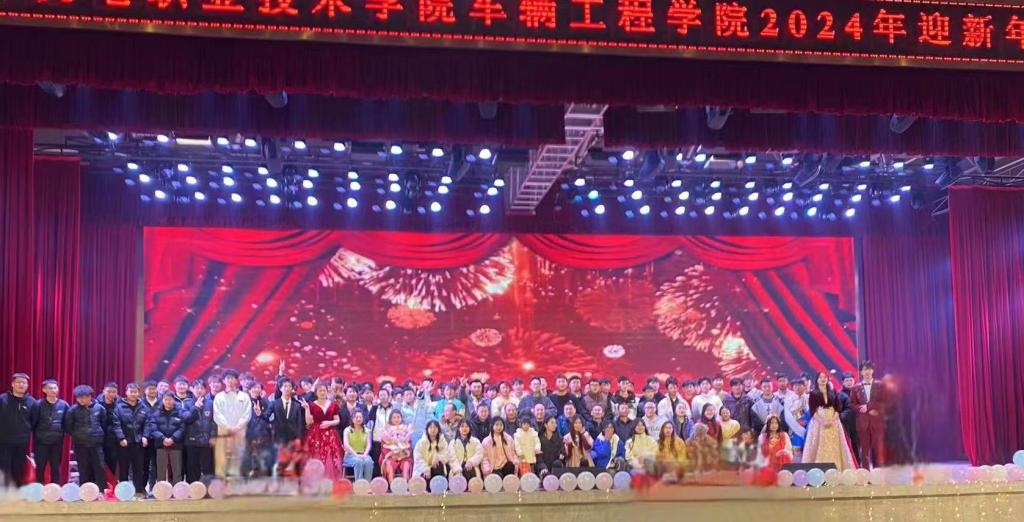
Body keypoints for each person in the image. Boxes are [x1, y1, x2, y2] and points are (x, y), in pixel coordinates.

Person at [801, 371, 857, 471]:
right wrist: (822, 421)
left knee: (835, 447)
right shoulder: (813, 393)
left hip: (834, 423)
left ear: (827, 379)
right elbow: (813, 411)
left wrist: (833, 419)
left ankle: (837, 469)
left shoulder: (833, 391)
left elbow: (837, 408)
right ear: (817, 380)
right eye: (820, 377)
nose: (823, 379)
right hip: (818, 424)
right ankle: (818, 470)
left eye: (825, 377)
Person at [65, 385, 108, 486]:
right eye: (78, 397)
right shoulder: (72, 410)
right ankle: (84, 490)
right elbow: (68, 428)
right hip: (80, 444)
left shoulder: (100, 408)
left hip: (96, 444)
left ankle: (102, 490)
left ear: (89, 396)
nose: (80, 400)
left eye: (83, 397)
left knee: (99, 467)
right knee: (83, 468)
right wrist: (78, 435)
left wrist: (98, 434)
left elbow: (104, 424)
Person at [213, 369, 251, 478]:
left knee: (237, 456)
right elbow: (217, 414)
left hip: (239, 432)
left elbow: (247, 413)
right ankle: (221, 480)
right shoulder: (219, 397)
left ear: (237, 380)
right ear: (224, 381)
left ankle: (236, 481)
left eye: (232, 378)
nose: (230, 380)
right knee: (222, 457)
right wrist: (228, 427)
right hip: (224, 432)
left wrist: (238, 426)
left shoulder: (244, 396)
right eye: (227, 378)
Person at [29, 379, 68, 484]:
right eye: (50, 388)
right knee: (40, 468)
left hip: (57, 443)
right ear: (44, 390)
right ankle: (39, 488)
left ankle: (55, 488)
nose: (53, 390)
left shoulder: (64, 405)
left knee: (56, 468)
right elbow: (33, 423)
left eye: (55, 388)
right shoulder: (37, 405)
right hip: (41, 443)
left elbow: (66, 423)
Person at [850, 361, 888, 468]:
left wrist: (869, 407)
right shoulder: (855, 388)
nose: (867, 372)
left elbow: (885, 402)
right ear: (861, 372)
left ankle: (878, 471)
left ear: (873, 371)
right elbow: (852, 404)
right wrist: (861, 408)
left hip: (877, 422)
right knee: (864, 449)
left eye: (869, 369)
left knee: (877, 449)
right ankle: (866, 472)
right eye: (864, 369)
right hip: (862, 423)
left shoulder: (880, 385)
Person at [303, 382, 343, 479]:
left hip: (331, 435)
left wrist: (329, 423)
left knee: (331, 456)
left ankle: (330, 480)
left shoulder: (333, 405)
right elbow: (308, 422)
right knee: (316, 456)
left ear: (327, 391)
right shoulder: (311, 405)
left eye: (324, 390)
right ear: (316, 392)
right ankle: (316, 481)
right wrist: (307, 409)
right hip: (316, 435)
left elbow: (337, 420)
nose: (322, 392)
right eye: (320, 391)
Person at [114, 383, 148, 493]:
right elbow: (116, 424)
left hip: (138, 442)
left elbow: (148, 423)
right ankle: (123, 491)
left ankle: (139, 490)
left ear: (139, 393)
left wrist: (145, 436)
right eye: (131, 392)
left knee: (138, 468)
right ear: (126, 393)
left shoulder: (143, 407)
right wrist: (121, 438)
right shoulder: (119, 407)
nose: (133, 394)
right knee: (123, 468)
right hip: (124, 442)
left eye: (135, 392)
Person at [146, 391, 185, 483]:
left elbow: (183, 428)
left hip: (176, 445)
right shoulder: (156, 413)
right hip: (161, 445)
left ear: (174, 400)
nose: (168, 402)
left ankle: (177, 490)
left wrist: (173, 438)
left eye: (170, 399)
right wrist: (163, 438)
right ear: (162, 400)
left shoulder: (180, 412)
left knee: (177, 472)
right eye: (166, 399)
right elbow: (153, 428)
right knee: (161, 472)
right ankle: (161, 490)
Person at [182, 379, 215, 483]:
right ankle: (193, 488)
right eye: (197, 388)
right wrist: (195, 407)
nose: (199, 390)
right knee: (192, 467)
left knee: (207, 467)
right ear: (192, 389)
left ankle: (208, 488)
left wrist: (212, 437)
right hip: (191, 440)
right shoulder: (187, 403)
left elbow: (214, 422)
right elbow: (186, 419)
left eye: (202, 388)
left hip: (206, 441)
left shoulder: (210, 403)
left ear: (205, 390)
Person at [243, 382, 274, 478]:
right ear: (249, 390)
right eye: (254, 388)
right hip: (250, 433)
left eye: (258, 388)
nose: (256, 389)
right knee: (251, 455)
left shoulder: (266, 401)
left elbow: (270, 417)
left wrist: (261, 414)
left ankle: (266, 475)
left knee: (265, 455)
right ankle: (252, 474)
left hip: (264, 433)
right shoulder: (245, 402)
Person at [99, 381, 125, 481]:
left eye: (114, 392)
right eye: (109, 391)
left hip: (115, 439)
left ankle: (111, 484)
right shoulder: (96, 403)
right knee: (99, 463)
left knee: (113, 462)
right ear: (103, 391)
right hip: (100, 438)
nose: (111, 394)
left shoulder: (121, 404)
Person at [380, 410, 413, 481]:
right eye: (394, 417)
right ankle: (392, 485)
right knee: (389, 464)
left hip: (404, 456)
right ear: (390, 419)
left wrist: (404, 453)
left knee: (406, 464)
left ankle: (405, 484)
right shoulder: (386, 430)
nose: (396, 419)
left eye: (398, 417)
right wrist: (392, 455)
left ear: (401, 418)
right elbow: (383, 446)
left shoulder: (406, 429)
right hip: (390, 456)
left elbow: (409, 445)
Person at [342, 410, 374, 481]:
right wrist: (356, 455)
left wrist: (365, 454)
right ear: (352, 419)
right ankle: (359, 484)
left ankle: (367, 484)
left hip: (363, 454)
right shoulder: (347, 430)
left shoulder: (367, 430)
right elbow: (346, 445)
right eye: (356, 417)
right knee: (358, 461)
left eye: (360, 417)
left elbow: (368, 445)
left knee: (369, 462)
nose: (358, 419)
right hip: (350, 455)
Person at [784, 376, 810, 460]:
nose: (798, 387)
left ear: (804, 386)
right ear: (792, 387)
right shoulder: (789, 400)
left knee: (808, 453)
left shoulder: (809, 398)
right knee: (796, 455)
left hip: (809, 431)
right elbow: (788, 417)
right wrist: (798, 427)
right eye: (795, 385)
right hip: (794, 431)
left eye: (800, 385)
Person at [838, 372, 860, 458]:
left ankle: (860, 463)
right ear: (842, 382)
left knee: (859, 445)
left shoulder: (859, 392)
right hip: (847, 424)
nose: (849, 382)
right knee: (848, 446)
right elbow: (839, 411)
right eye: (847, 381)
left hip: (859, 423)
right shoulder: (840, 395)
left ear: (854, 381)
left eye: (851, 380)